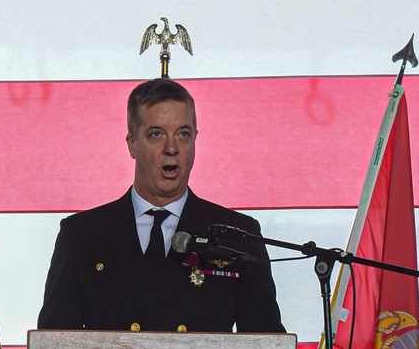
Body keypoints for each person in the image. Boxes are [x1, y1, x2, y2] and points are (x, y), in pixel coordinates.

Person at [37, 77, 284, 334]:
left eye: (183, 134)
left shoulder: (236, 235)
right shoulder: (81, 236)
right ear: (133, 144)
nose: (171, 148)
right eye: (156, 134)